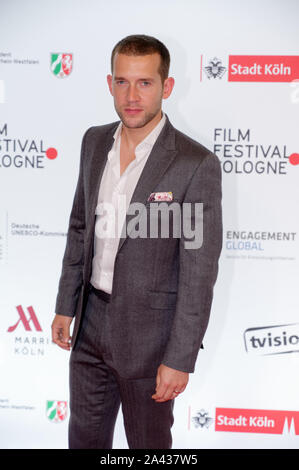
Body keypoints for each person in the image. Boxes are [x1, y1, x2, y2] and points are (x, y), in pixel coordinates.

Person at [51, 34, 222, 449]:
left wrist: (180, 358)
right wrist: (64, 306)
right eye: (123, 82)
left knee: (148, 447)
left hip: (152, 340)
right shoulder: (93, 142)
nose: (132, 95)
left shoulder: (194, 163)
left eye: (145, 83)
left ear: (166, 87)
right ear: (110, 84)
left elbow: (199, 273)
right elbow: (80, 228)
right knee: (84, 440)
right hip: (90, 324)